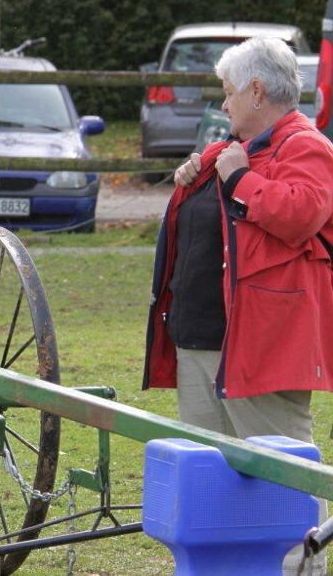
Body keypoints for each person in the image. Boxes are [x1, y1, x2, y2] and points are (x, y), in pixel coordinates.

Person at [145, 36, 333, 574]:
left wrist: (238, 178)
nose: (223, 105)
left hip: (262, 343)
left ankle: (301, 569)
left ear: (255, 91)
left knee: (282, 470)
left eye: (228, 93)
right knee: (214, 477)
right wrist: (196, 174)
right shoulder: (232, 149)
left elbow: (300, 214)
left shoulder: (306, 146)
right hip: (202, 338)